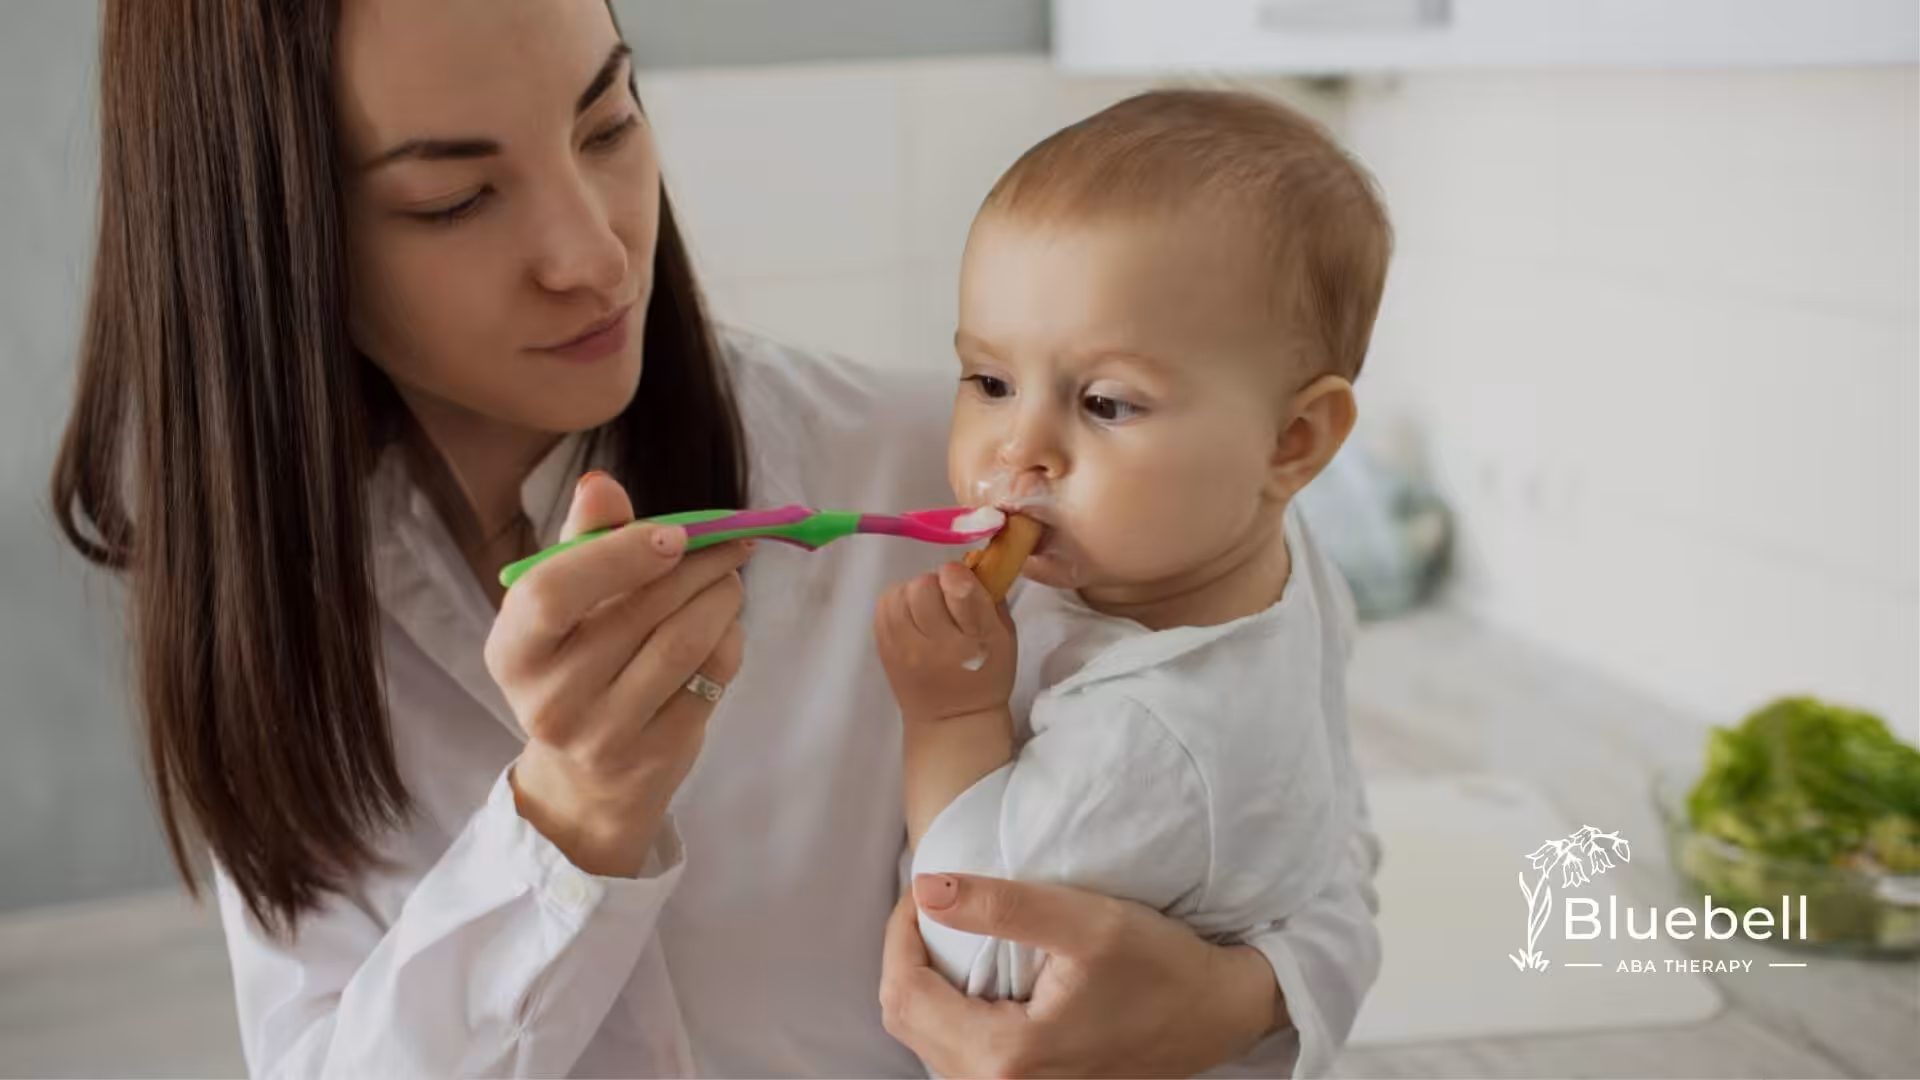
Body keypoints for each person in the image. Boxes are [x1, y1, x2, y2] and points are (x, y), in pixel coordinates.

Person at [50, 0, 1381, 1075]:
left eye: (609, 120)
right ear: (272, 241)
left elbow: (1312, 859)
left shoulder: (1041, 488)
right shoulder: (274, 615)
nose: (594, 254)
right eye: (454, 199)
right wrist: (569, 825)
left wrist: (1228, 1001)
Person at [874, 89, 1388, 1024]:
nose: (1016, 452)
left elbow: (980, 961)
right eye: (990, 381)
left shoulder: (1149, 738)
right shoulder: (1269, 545)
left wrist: (949, 715)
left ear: (1292, 442)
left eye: (1106, 403)